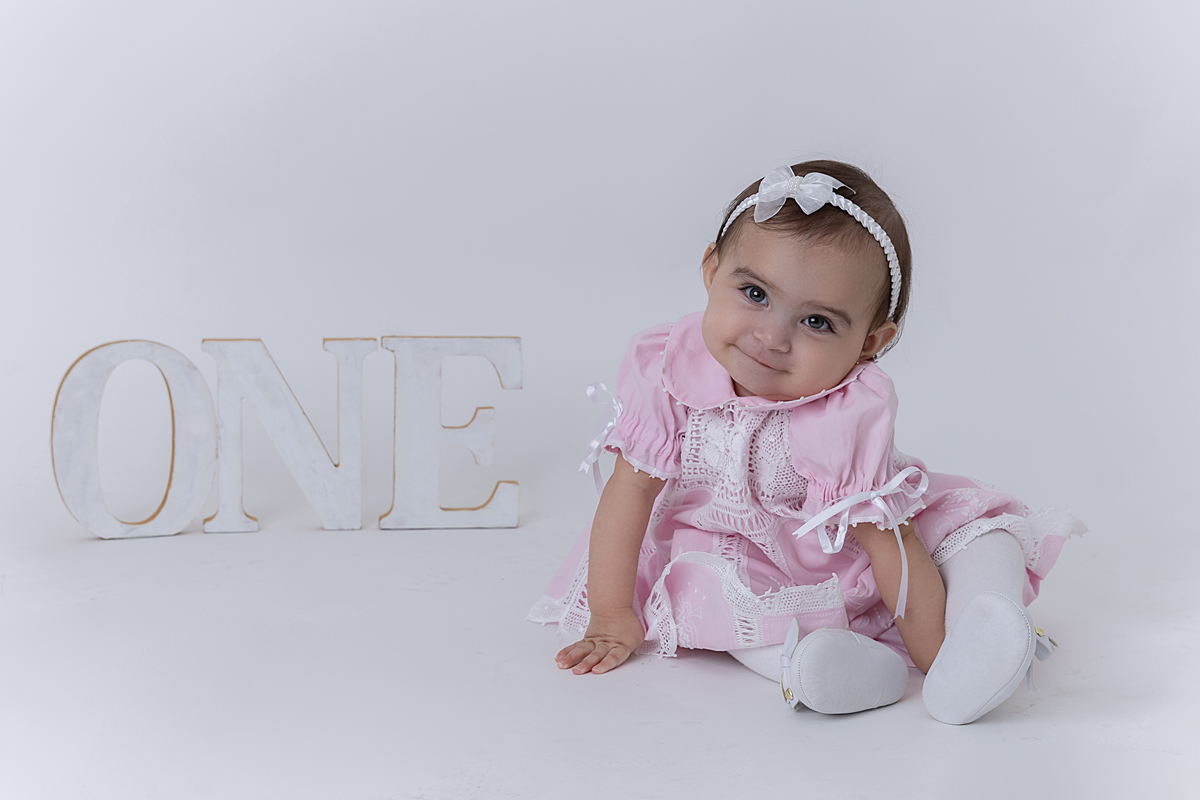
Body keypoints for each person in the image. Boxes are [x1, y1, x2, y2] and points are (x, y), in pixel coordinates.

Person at [527, 160, 1084, 724]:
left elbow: (889, 544)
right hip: (746, 561)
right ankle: (828, 668)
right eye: (754, 293)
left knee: (980, 537)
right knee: (721, 609)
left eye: (817, 323)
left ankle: (973, 645)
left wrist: (931, 650)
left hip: (877, 553)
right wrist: (611, 611)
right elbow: (630, 491)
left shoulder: (847, 411)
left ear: (870, 342)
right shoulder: (666, 368)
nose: (772, 337)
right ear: (711, 269)